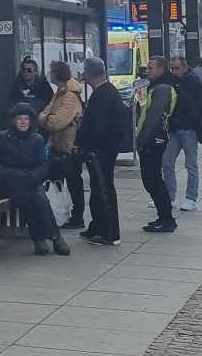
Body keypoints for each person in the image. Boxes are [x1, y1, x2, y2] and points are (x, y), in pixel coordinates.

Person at [0, 102, 68, 255]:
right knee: (31, 196)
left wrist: (34, 176)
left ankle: (45, 238)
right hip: (9, 181)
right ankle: (50, 237)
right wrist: (5, 173)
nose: (23, 122)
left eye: (26, 119)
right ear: (13, 120)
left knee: (39, 198)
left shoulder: (36, 139)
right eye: (20, 119)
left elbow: (43, 165)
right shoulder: (2, 138)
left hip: (30, 179)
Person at [76, 57, 131, 246]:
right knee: (98, 189)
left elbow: (100, 127)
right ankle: (98, 225)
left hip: (101, 150)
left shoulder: (103, 95)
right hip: (102, 149)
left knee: (104, 188)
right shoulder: (106, 92)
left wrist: (86, 143)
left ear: (89, 73)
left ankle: (110, 232)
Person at [39, 60, 88, 231]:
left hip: (69, 147)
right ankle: (61, 213)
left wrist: (47, 118)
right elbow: (46, 112)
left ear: (57, 74)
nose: (48, 74)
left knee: (74, 184)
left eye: (51, 71)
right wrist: (48, 117)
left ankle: (76, 216)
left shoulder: (68, 96)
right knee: (56, 182)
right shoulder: (59, 93)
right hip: (58, 146)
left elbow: (57, 122)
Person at [132, 58, 178, 233]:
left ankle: (167, 219)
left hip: (154, 139)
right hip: (152, 138)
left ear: (161, 69)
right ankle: (164, 217)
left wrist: (141, 140)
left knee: (153, 180)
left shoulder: (163, 88)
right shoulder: (155, 87)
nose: (147, 70)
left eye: (151, 68)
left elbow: (153, 117)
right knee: (151, 179)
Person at [163, 55, 202, 213]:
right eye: (172, 69)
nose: (174, 71)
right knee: (167, 162)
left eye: (177, 68)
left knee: (191, 164)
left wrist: (193, 122)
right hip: (174, 129)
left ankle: (191, 198)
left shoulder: (193, 81)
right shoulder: (171, 81)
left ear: (185, 67)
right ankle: (169, 196)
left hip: (189, 129)